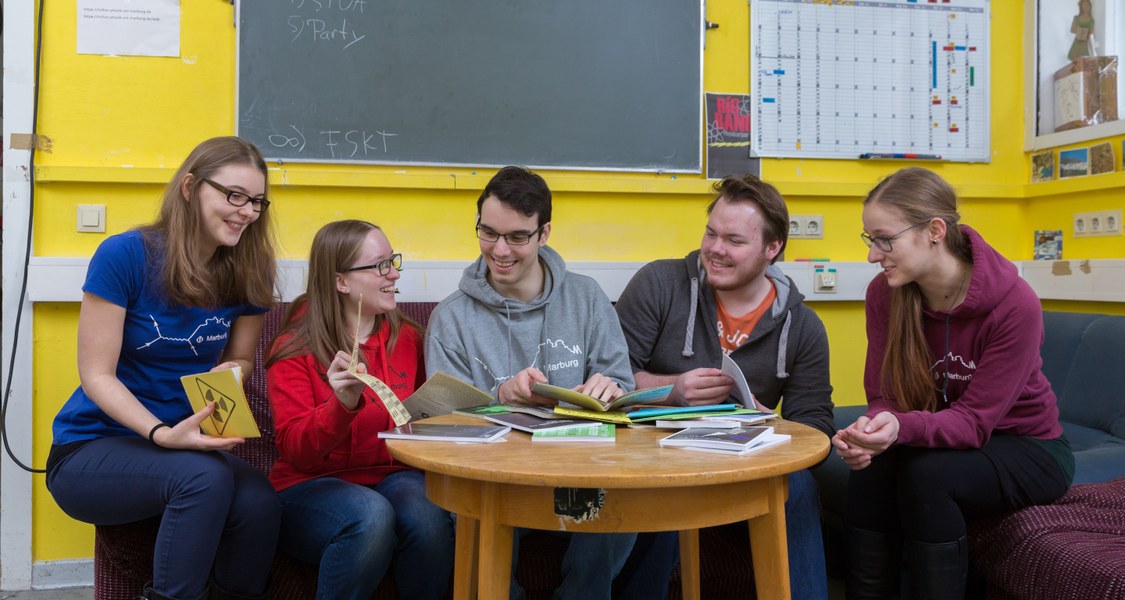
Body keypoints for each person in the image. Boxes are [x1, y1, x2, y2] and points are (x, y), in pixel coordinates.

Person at [45, 136, 281, 600]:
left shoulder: (249, 268)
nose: (247, 211)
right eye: (234, 195)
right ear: (190, 187)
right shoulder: (126, 256)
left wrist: (229, 380)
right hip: (91, 447)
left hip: (181, 443)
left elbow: (237, 359)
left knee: (258, 498)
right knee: (204, 478)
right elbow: (97, 376)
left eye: (256, 201)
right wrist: (160, 434)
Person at [833, 167, 1074, 599]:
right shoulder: (884, 294)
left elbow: (975, 423)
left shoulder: (1016, 306)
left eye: (885, 239)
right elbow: (884, 393)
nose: (874, 255)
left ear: (935, 231)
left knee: (929, 474)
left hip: (1027, 446)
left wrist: (900, 428)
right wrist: (872, 429)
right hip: (953, 431)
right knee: (873, 468)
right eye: (870, 240)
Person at [613, 173, 835, 600]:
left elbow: (817, 426)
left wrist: (775, 428)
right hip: (652, 459)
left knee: (798, 487)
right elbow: (611, 380)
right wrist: (672, 390)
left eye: (734, 240)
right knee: (657, 490)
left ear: (772, 249)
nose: (714, 249)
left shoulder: (803, 327)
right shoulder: (660, 284)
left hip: (742, 467)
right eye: (711, 233)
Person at [424, 166, 637, 600]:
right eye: (488, 232)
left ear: (544, 234)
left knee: (627, 504)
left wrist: (611, 390)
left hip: (577, 475)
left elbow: (622, 386)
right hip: (493, 484)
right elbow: (442, 424)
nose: (499, 250)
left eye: (517, 236)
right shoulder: (451, 318)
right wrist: (500, 398)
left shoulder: (586, 297)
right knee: (471, 514)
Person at [265, 220, 454, 600]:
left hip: (393, 475)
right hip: (307, 487)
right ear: (341, 282)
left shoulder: (409, 338)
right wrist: (343, 404)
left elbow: (422, 419)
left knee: (429, 514)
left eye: (393, 261)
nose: (395, 273)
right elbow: (296, 451)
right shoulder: (292, 348)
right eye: (380, 265)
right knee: (371, 515)